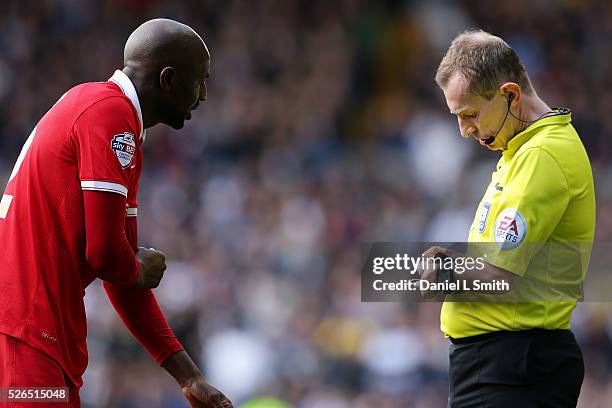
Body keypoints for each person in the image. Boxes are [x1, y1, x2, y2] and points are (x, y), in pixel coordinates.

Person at [0, 18, 232, 408]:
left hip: (37, 335)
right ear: (169, 79)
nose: (204, 95)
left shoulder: (104, 113)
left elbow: (121, 274)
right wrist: (137, 267)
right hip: (24, 333)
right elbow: (108, 257)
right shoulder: (110, 115)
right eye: (201, 80)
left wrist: (189, 377)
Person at [418, 30, 595, 407]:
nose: (465, 130)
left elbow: (501, 277)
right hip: (503, 366)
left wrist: (445, 271)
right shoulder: (521, 153)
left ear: (510, 95)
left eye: (470, 114)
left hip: (510, 367)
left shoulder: (541, 156)